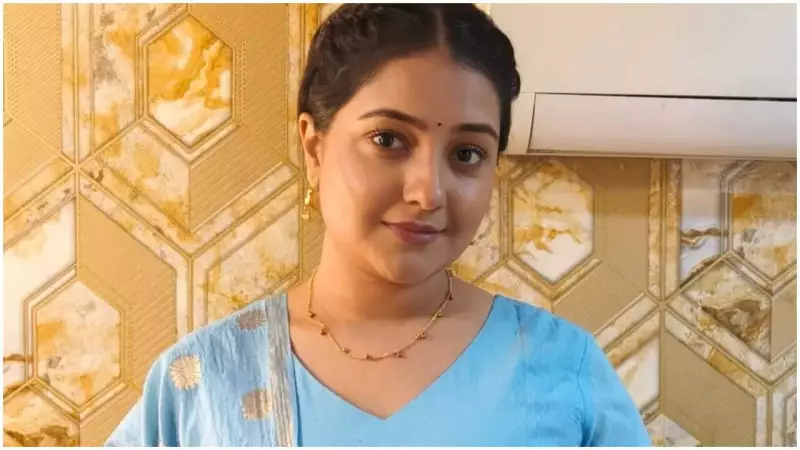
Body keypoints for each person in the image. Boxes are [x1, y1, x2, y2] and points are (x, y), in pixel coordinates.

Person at [106, 4, 651, 447]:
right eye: (388, 140)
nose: (428, 192)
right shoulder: (203, 384)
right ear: (314, 148)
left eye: (466, 153)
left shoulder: (561, 370)